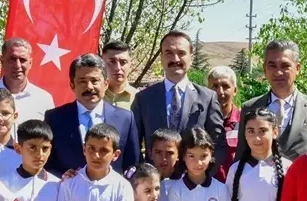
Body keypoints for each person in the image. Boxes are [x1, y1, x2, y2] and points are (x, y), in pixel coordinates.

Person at [132, 31, 225, 165]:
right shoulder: (143, 98)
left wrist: (203, 175)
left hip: (193, 182)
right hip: (155, 180)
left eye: (181, 53)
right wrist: (144, 174)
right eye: (169, 53)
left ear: (191, 58)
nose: (175, 59)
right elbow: (133, 143)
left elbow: (219, 144)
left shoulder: (207, 98)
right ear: (161, 58)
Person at [44, 53, 139, 177]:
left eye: (95, 81)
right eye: (82, 81)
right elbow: (47, 162)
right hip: (69, 192)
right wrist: (61, 176)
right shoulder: (54, 118)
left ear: (105, 84)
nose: (89, 87)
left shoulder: (125, 119)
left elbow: (132, 164)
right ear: (72, 85)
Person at [235, 39, 307, 163]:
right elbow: (241, 155)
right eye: (272, 65)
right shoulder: (250, 108)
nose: (278, 72)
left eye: (285, 66)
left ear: (297, 68)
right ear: (264, 69)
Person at [0, 38, 55, 140]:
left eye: (23, 60)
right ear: (2, 61)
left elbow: (48, 141)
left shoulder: (44, 99)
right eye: (12, 59)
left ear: (30, 63)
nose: (17, 65)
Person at [207, 65, 241, 180]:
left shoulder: (244, 122)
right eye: (215, 86)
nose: (220, 92)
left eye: (225, 86)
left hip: (235, 188)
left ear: (235, 90)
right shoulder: (201, 122)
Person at [101, 40, 139, 110]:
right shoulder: (93, 97)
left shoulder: (140, 98)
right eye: (112, 61)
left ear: (131, 65)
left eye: (123, 62)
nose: (118, 68)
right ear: (102, 64)